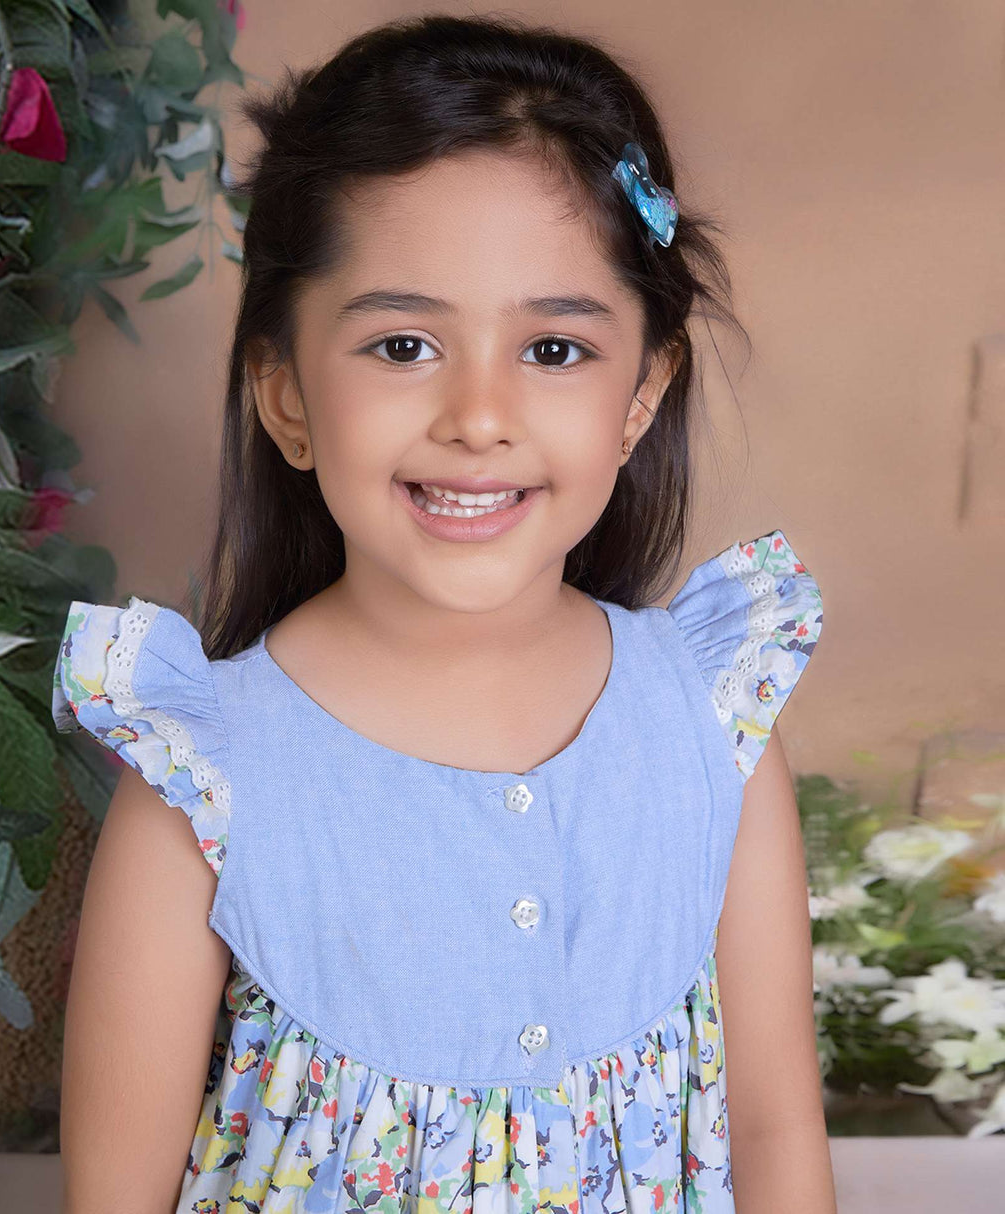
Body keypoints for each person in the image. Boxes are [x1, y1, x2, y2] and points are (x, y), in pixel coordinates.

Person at [50, 12, 837, 1214]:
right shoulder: (202, 769)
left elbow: (777, 1134)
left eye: (556, 349)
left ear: (640, 396)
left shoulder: (708, 724)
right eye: (404, 342)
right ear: (287, 396)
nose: (479, 413)